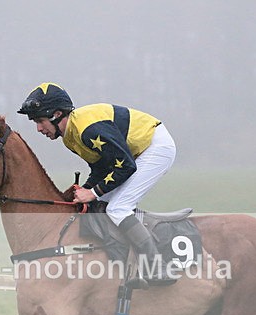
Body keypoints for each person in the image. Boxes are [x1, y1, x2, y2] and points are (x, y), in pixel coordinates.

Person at [18, 82, 177, 284]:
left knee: (118, 208)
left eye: (40, 121)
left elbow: (126, 166)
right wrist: (85, 190)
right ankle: (120, 262)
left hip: (155, 147)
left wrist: (92, 192)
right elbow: (102, 168)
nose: (39, 128)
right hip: (133, 154)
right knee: (97, 205)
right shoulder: (70, 137)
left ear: (57, 114)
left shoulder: (88, 130)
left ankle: (158, 268)